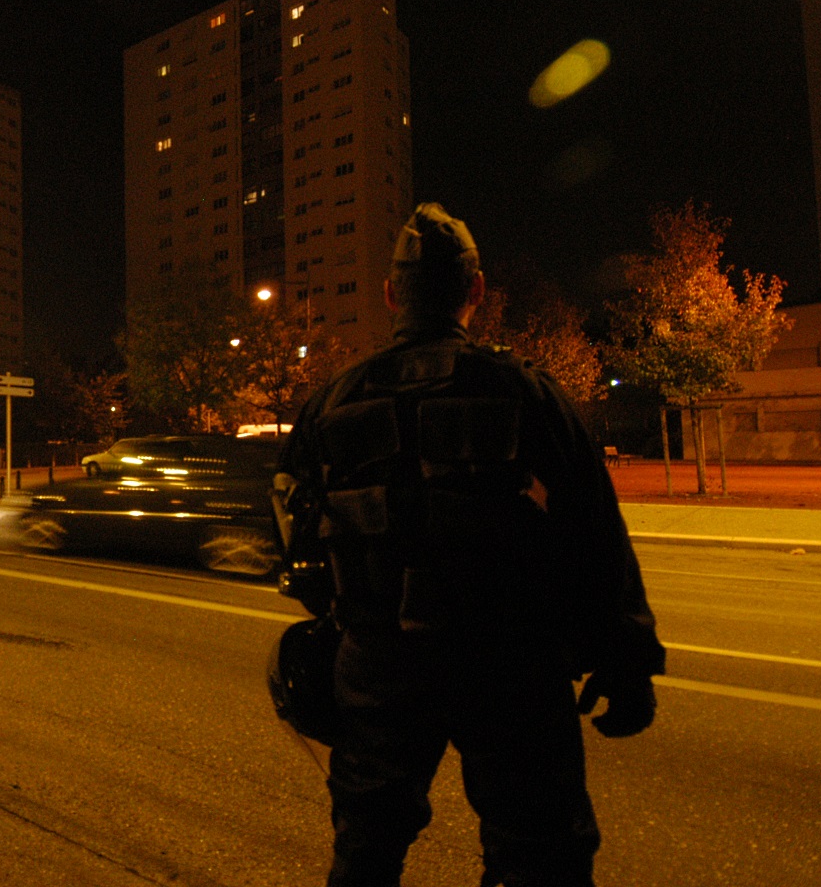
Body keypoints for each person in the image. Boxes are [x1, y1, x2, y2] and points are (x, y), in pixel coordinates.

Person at [273, 202, 666, 887]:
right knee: (540, 854)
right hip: (510, 664)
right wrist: (625, 660)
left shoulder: (332, 402)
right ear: (476, 290)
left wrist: (347, 616)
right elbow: (596, 534)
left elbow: (295, 530)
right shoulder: (526, 392)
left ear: (390, 294)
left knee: (366, 852)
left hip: (380, 662)